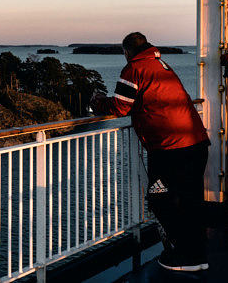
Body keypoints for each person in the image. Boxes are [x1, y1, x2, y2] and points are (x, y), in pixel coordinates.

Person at [90, 32, 210, 272]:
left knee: (159, 198)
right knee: (190, 200)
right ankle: (197, 254)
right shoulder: (161, 65)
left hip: (170, 148)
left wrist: (97, 102)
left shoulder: (134, 69)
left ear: (126, 52)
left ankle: (185, 257)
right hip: (195, 142)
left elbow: (120, 107)